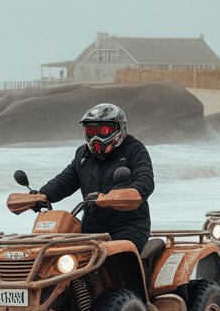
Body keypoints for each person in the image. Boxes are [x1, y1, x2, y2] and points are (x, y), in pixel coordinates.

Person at [38, 103, 155, 251]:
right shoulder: (83, 154)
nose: (95, 137)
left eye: (103, 130)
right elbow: (64, 181)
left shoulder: (134, 149)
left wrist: (123, 195)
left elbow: (145, 181)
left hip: (128, 228)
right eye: (91, 130)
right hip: (91, 230)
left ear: (119, 128)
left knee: (117, 258)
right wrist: (40, 196)